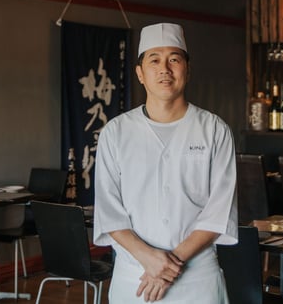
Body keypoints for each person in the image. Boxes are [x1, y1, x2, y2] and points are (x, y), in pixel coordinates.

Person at [94, 22, 238, 303]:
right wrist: (148, 259)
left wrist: (168, 265)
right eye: (154, 60)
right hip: (135, 277)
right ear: (140, 73)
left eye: (174, 59)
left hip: (197, 279)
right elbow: (109, 211)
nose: (165, 69)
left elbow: (219, 212)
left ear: (187, 68)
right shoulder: (116, 132)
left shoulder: (214, 130)